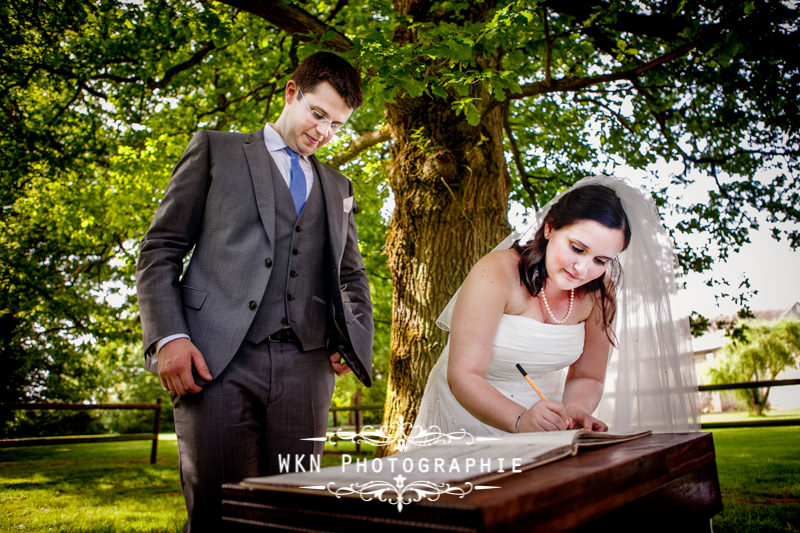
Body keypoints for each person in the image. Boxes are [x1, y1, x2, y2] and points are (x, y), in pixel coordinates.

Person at [135, 52, 373, 531]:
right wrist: (169, 338)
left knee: (293, 514)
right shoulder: (215, 150)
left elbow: (351, 276)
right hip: (216, 360)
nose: (324, 132)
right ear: (291, 93)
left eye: (337, 125)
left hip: (305, 370)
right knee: (220, 514)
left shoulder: (337, 185)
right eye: (318, 114)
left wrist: (352, 340)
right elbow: (160, 248)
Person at [411, 175, 698, 441]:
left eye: (601, 260)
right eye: (577, 248)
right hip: (467, 411)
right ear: (549, 228)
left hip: (547, 415)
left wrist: (575, 408)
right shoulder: (496, 273)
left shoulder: (601, 294)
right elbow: (464, 375)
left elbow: (588, 375)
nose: (583, 268)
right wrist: (521, 419)